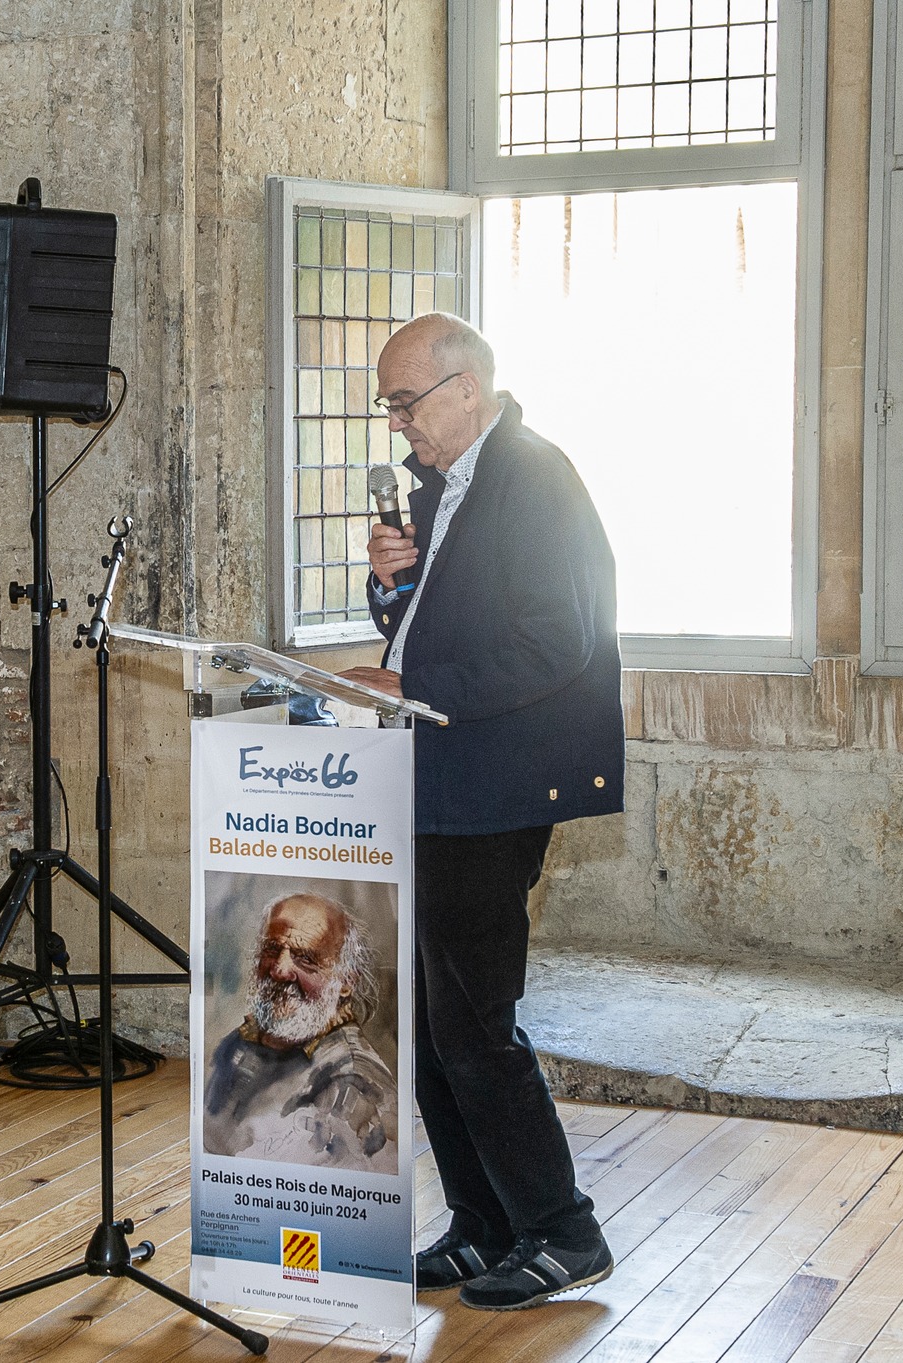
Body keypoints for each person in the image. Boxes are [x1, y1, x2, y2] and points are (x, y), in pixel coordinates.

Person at [339, 312, 623, 1311]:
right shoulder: (446, 484)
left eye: (405, 401)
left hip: (493, 786)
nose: (397, 423)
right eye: (390, 405)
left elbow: (560, 641)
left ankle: (562, 1229)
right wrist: (394, 590)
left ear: (464, 387)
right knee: (425, 1026)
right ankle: (483, 1221)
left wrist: (413, 686)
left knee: (475, 1026)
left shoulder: (535, 478)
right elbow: (434, 626)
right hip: (434, 779)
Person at [204, 893, 396, 1174]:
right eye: (271, 949)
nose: (280, 970)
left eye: (305, 958)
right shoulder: (236, 1044)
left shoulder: (352, 1080)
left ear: (346, 982)